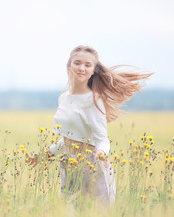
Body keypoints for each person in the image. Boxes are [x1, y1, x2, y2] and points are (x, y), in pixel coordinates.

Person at [27, 45, 153, 207]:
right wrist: (44, 155)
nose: (81, 68)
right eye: (77, 63)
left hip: (92, 166)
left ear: (93, 70)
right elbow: (69, 139)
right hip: (69, 164)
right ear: (69, 65)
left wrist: (102, 153)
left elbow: (102, 139)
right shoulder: (64, 98)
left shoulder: (94, 100)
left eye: (87, 65)